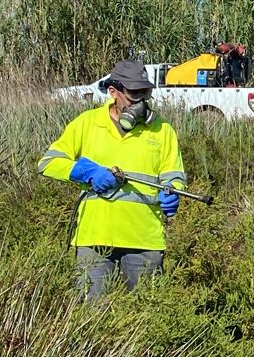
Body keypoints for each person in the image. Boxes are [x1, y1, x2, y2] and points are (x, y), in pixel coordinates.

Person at [38, 59, 187, 299]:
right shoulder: (87, 123)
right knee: (89, 318)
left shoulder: (162, 130)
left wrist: (172, 191)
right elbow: (48, 163)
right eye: (133, 94)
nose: (140, 102)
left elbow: (174, 175)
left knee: (145, 316)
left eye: (145, 94)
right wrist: (87, 173)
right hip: (94, 239)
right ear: (113, 92)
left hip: (144, 240)